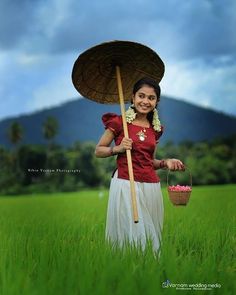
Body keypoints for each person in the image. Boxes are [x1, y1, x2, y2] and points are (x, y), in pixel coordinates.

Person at [95, 77, 184, 253]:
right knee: (133, 235)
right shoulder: (119, 122)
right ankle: (128, 270)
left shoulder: (156, 128)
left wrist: (166, 162)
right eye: (141, 96)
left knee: (151, 236)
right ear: (133, 97)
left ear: (157, 101)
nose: (145, 101)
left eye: (151, 98)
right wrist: (118, 149)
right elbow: (98, 150)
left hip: (151, 184)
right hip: (126, 182)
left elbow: (150, 161)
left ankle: (149, 273)